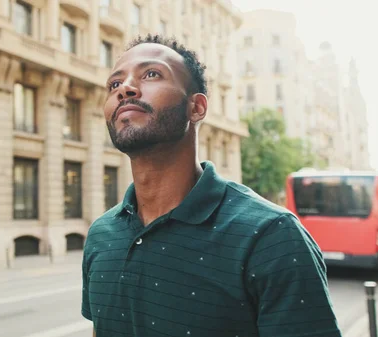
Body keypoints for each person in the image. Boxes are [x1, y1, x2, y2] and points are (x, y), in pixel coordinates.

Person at [81, 34, 342, 337]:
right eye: (114, 84)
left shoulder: (273, 236)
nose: (124, 89)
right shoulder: (101, 235)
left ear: (196, 108)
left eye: (151, 74)